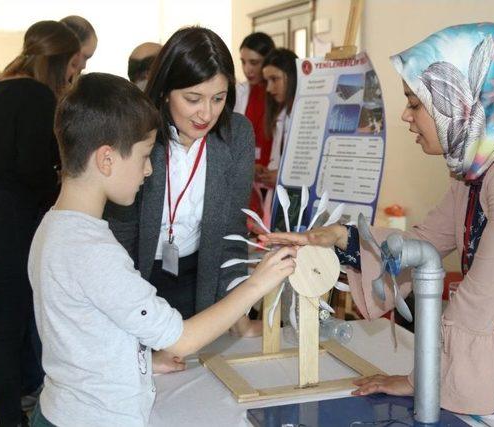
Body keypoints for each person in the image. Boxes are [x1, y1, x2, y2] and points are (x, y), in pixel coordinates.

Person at [261, 23, 494, 427]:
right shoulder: (477, 169)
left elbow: (478, 303)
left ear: (460, 98)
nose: (405, 115)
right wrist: (339, 238)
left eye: (415, 103)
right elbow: (420, 245)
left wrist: (424, 381)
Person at [27, 72, 296, 427]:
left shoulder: (55, 226)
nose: (150, 169)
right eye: (142, 156)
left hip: (64, 408)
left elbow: (81, 337)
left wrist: (143, 361)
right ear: (106, 159)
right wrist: (258, 284)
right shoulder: (92, 251)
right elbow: (182, 340)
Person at [104, 27, 259, 336]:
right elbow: (119, 239)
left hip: (199, 276)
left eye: (218, 98)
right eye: (193, 99)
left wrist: (238, 310)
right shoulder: (137, 133)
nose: (207, 113)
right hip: (133, 277)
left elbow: (231, 234)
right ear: (164, 91)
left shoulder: (236, 134)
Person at [0, 20, 80, 427]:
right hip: (10, 222)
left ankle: (8, 409)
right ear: (61, 63)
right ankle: (13, 415)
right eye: (75, 67)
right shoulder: (38, 96)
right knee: (10, 322)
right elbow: (32, 168)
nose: (74, 77)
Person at [234, 33, 275, 228]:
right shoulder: (240, 93)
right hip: (250, 180)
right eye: (243, 62)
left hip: (274, 180)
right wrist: (249, 166)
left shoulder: (278, 95)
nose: (247, 69)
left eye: (254, 62)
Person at [260, 48, 298, 228]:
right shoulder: (281, 115)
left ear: (292, 76)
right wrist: (266, 172)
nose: (269, 88)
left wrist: (284, 178)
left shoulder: (305, 115)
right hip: (279, 199)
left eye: (274, 79)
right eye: (267, 81)